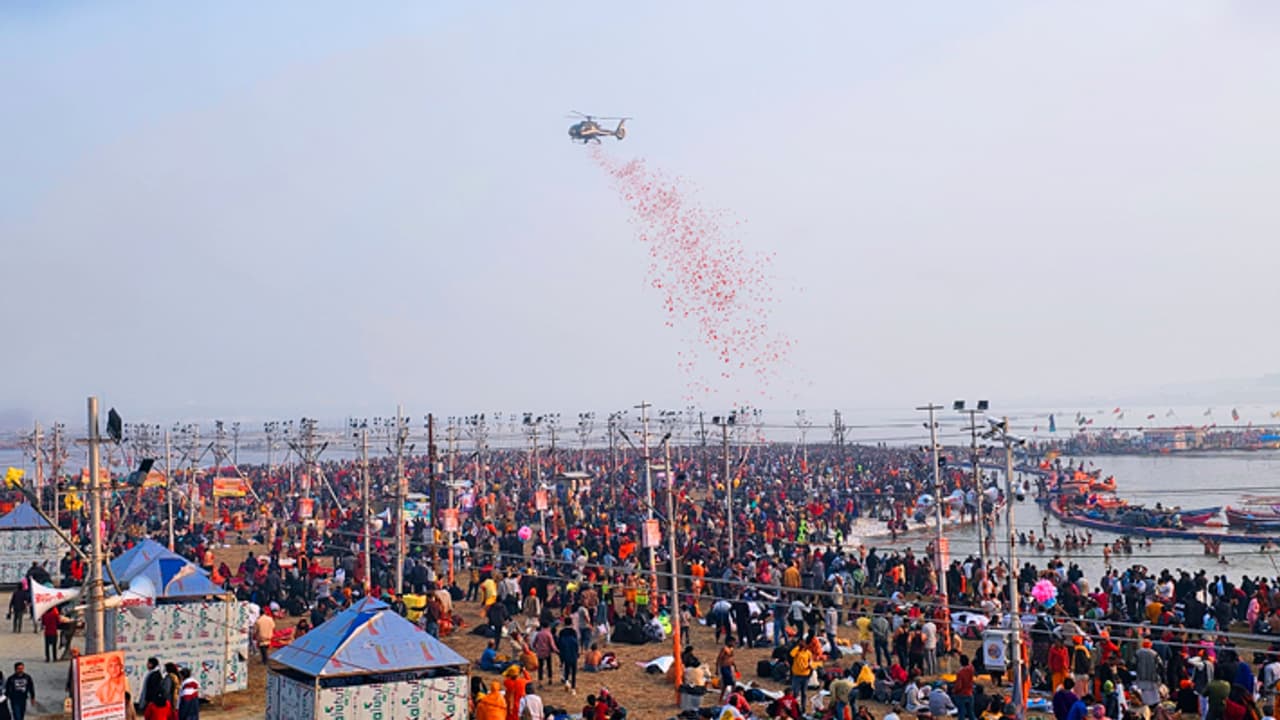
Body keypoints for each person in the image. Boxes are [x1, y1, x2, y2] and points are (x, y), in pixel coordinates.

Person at [789, 639, 814, 712]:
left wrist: (810, 666)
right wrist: (797, 648)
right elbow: (791, 654)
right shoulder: (796, 651)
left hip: (805, 675)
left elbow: (811, 661)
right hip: (797, 675)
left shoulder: (808, 653)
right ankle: (793, 708)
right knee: (795, 692)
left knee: (804, 693)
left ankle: (803, 708)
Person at [954, 654, 977, 720]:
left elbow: (959, 686)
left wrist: (954, 691)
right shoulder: (971, 668)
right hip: (969, 693)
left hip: (961, 694)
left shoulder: (960, 673)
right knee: (971, 714)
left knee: (961, 714)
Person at [716, 638, 737, 703]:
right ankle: (731, 698)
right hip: (724, 668)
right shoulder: (724, 649)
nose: (734, 644)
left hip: (729, 667)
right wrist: (717, 669)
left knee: (726, 685)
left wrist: (735, 667)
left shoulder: (731, 649)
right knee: (732, 683)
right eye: (733, 642)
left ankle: (722, 699)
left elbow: (731, 659)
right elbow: (719, 659)